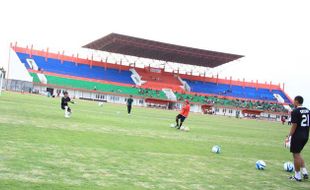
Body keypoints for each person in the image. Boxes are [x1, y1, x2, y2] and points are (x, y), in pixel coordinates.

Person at [285, 96, 309, 182]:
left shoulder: (295, 111)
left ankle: (297, 176)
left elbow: (294, 126)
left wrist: (289, 136)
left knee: (295, 155)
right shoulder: (307, 110)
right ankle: (305, 172)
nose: (293, 102)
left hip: (298, 135)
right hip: (306, 135)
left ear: (297, 101)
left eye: (294, 101)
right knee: (298, 154)